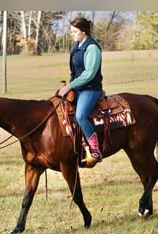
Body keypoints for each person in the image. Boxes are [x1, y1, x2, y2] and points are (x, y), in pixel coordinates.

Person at [58, 17, 103, 162]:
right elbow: (75, 71)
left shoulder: (92, 48)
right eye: (71, 31)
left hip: (90, 89)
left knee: (80, 116)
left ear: (83, 31)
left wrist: (70, 86)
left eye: (74, 31)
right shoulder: (76, 46)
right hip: (77, 87)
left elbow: (89, 74)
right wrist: (68, 86)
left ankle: (95, 148)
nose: (72, 34)